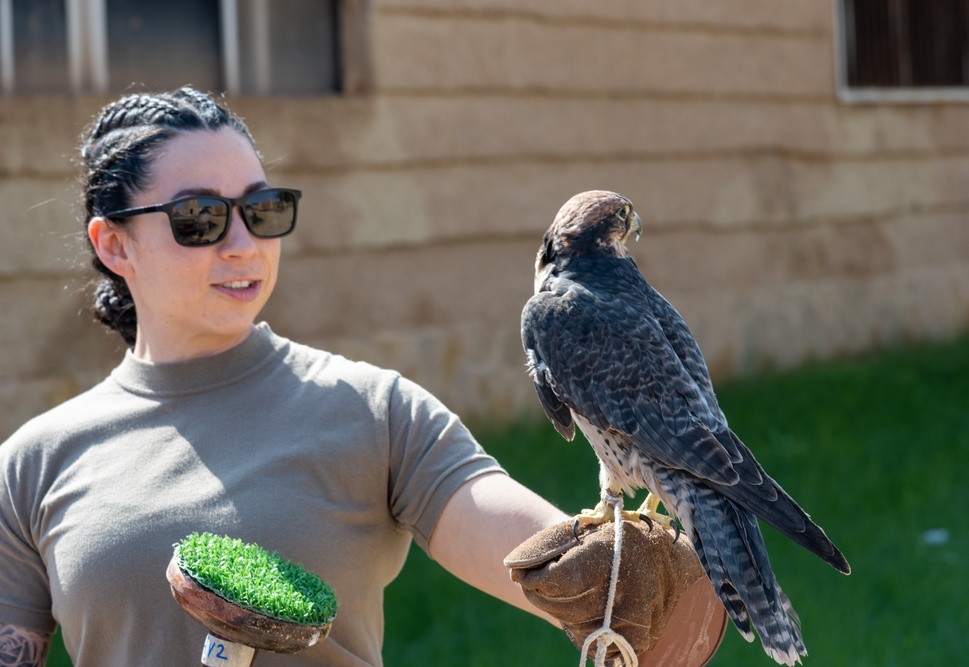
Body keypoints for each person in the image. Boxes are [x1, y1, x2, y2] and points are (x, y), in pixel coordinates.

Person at [0, 88, 726, 666]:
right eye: (200, 218)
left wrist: (629, 579)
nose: (244, 243)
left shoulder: (372, 409)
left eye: (261, 209)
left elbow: (526, 541)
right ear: (114, 243)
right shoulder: (31, 464)